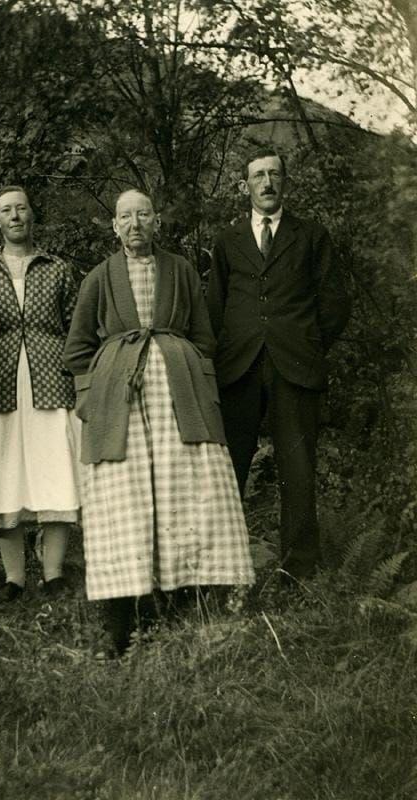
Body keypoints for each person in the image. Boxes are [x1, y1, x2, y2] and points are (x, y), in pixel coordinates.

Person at [64, 189, 254, 654]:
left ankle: (180, 596)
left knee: (183, 488)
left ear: (157, 221)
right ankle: (121, 613)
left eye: (143, 215)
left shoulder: (182, 271)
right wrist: (95, 394)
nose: (135, 225)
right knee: (122, 496)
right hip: (119, 402)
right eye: (125, 217)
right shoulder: (99, 277)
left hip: (177, 396)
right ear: (114, 226)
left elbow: (205, 339)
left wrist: (189, 371)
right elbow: (76, 350)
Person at [206, 147, 351, 584]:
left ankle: (298, 572)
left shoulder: (311, 236)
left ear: (285, 181)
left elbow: (335, 301)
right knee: (229, 469)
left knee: (298, 469)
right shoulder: (228, 240)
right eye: (258, 176)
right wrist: (220, 354)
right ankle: (223, 571)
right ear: (245, 186)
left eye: (274, 174)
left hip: (296, 366)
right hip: (239, 368)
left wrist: (307, 342)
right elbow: (215, 306)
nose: (267, 183)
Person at [0, 186, 81, 600]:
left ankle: (53, 573)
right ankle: (14, 578)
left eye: (22, 208)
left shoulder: (56, 268)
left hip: (52, 383)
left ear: (33, 216)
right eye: (6, 210)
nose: (15, 216)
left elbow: (76, 327)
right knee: (5, 477)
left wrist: (77, 378)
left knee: (55, 474)